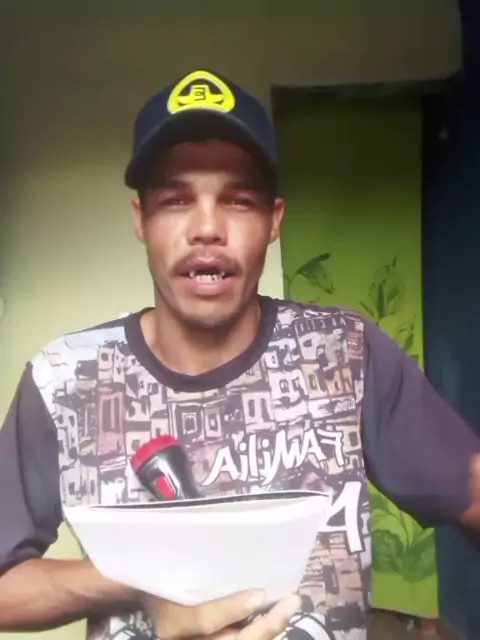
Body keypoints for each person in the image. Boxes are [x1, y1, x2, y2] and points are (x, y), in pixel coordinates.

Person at [0, 68, 479, 640]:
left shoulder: (346, 353)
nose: (207, 228)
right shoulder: (64, 380)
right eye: (176, 199)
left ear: (274, 220)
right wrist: (136, 578)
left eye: (239, 200)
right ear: (141, 220)